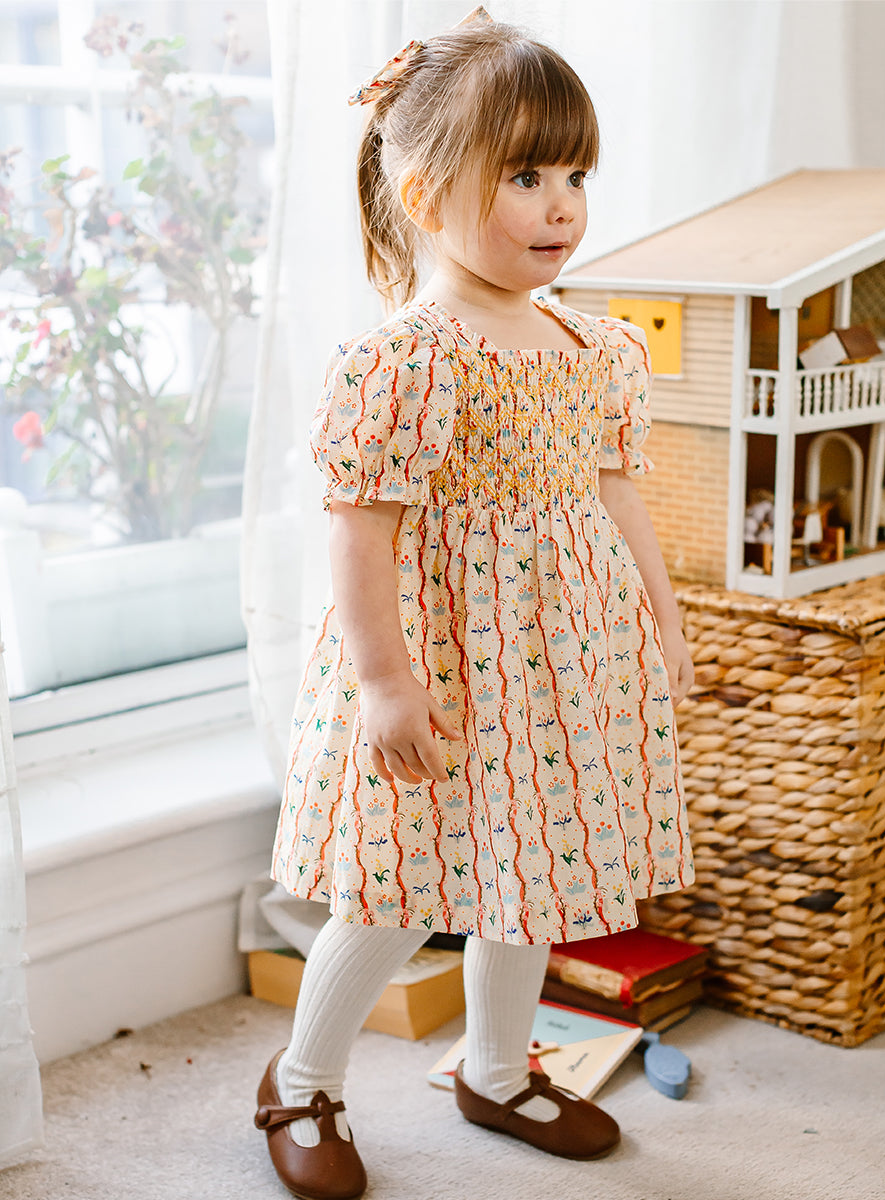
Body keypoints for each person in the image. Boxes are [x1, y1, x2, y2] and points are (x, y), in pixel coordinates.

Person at [254, 9, 695, 1199]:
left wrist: (660, 620)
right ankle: (301, 1078)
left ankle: (497, 1071)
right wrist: (386, 682)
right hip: (442, 659)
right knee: (397, 887)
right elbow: (361, 527)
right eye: (525, 177)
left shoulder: (594, 348)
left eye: (575, 175)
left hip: (563, 658)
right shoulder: (410, 358)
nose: (562, 206)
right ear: (424, 192)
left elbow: (615, 494)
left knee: (531, 867)